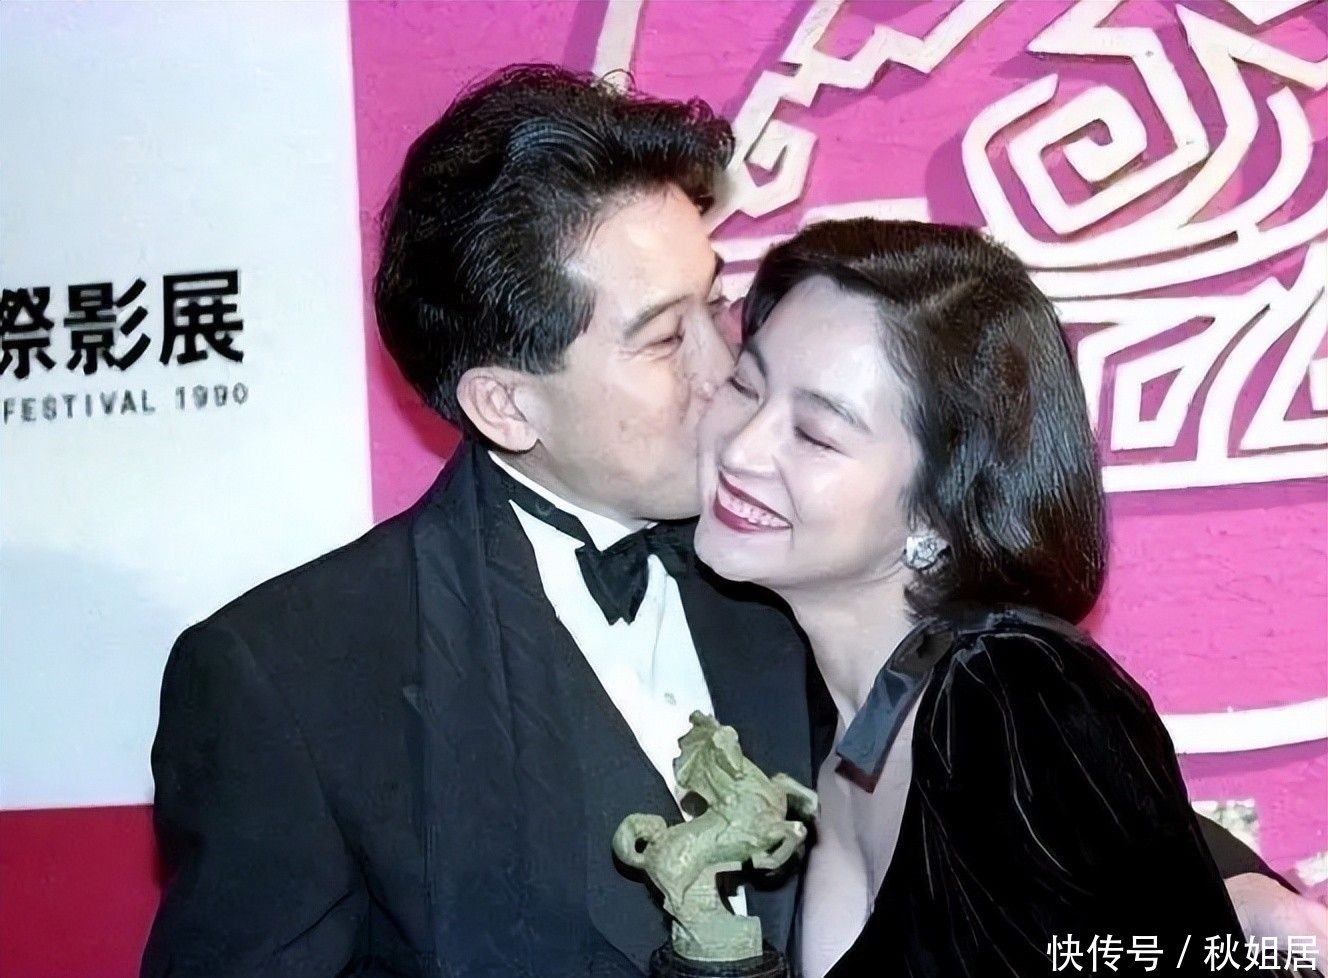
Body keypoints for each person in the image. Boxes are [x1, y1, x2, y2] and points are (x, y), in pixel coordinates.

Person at [141, 65, 1312, 978]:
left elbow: (1008, 786)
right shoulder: (294, 682)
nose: (724, 375)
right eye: (664, 338)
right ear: (506, 404)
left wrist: (1233, 892)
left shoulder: (793, 550)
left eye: (716, 303)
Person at [692, 218, 1327, 977]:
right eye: (746, 384)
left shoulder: (1009, 695)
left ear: (938, 507)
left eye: (816, 435)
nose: (742, 448)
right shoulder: (814, 710)